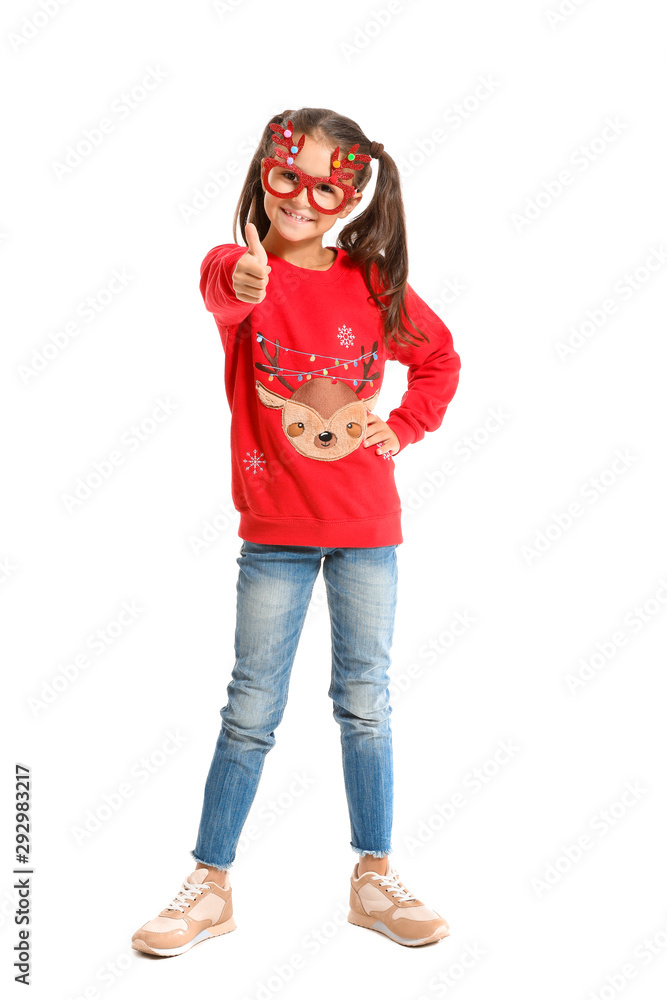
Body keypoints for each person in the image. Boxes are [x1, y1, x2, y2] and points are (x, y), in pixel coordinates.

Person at [132, 107, 461, 957]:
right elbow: (223, 286)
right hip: (273, 532)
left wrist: (406, 424)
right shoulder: (237, 272)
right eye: (288, 177)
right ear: (263, 173)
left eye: (327, 186)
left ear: (350, 196)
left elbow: (438, 357)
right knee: (250, 708)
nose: (303, 199)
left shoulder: (372, 283)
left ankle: (373, 877)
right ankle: (210, 884)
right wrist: (244, 275)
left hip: (366, 527)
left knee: (365, 704)